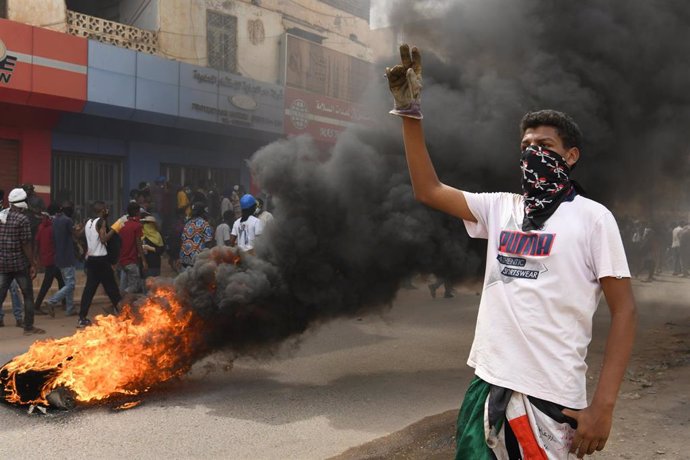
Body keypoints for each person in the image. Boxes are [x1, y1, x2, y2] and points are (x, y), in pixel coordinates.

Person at [386, 44, 636, 459]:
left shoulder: (594, 219)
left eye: (546, 147)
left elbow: (624, 310)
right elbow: (428, 190)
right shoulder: (502, 207)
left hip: (551, 398)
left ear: (571, 157)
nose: (533, 154)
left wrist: (603, 408)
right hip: (488, 385)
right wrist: (410, 114)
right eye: (526, 147)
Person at [0, 188, 45, 334]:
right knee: (27, 295)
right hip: (19, 264)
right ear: (23, 203)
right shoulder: (23, 219)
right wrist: (33, 263)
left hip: (2, 264)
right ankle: (28, 327)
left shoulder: (1, 216)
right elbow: (26, 244)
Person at [77, 201, 122, 328]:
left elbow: (78, 235)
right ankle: (124, 314)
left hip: (91, 260)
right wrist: (114, 229)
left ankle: (82, 318)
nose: (107, 210)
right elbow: (103, 239)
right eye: (106, 209)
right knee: (112, 289)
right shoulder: (101, 222)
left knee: (89, 290)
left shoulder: (88, 222)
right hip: (102, 260)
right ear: (102, 210)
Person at [43, 200, 79, 317]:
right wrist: (81, 228)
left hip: (59, 257)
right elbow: (76, 235)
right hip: (67, 256)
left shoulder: (55, 220)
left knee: (67, 283)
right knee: (71, 284)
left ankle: (70, 308)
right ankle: (52, 301)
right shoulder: (67, 220)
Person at [34, 203, 65, 316]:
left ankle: (64, 303)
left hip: (46, 258)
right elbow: (58, 243)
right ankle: (37, 306)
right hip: (53, 259)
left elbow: (37, 242)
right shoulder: (53, 227)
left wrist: (37, 257)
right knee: (47, 284)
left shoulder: (42, 226)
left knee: (61, 281)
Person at [117, 201, 147, 295]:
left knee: (124, 284)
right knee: (134, 285)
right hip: (131, 260)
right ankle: (119, 301)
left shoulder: (122, 225)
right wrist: (144, 260)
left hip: (122, 260)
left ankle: (121, 307)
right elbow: (138, 244)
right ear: (137, 212)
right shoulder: (137, 226)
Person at [179, 202, 213, 270]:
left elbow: (182, 239)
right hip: (197, 259)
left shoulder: (187, 223)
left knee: (186, 278)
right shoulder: (204, 224)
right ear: (202, 212)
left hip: (184, 257)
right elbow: (208, 242)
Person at [141, 214, 165, 280]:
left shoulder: (158, 235)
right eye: (145, 223)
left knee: (154, 284)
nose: (146, 225)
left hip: (154, 263)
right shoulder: (141, 235)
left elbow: (161, 250)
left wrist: (150, 248)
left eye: (148, 223)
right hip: (144, 263)